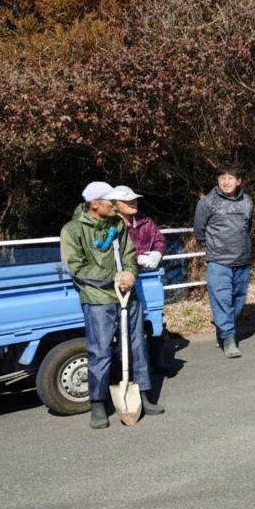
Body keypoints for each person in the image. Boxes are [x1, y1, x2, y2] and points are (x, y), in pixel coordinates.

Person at [60, 181, 164, 429]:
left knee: (138, 345)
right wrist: (113, 278)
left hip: (127, 293)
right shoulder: (73, 229)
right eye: (111, 202)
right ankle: (98, 404)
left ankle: (144, 395)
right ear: (95, 204)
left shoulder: (117, 224)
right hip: (98, 298)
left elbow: (129, 253)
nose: (116, 206)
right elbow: (75, 266)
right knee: (100, 351)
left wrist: (129, 274)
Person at [111, 186, 172, 375]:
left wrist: (157, 253)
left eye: (134, 199)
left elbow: (160, 240)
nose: (132, 203)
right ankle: (124, 366)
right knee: (123, 323)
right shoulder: (109, 224)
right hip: (121, 279)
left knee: (154, 317)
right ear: (115, 204)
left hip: (146, 277)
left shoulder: (145, 221)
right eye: (126, 201)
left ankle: (157, 360)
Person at [194, 163, 254, 358]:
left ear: (238, 181)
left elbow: (247, 226)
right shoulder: (207, 203)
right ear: (217, 180)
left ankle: (223, 328)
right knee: (221, 300)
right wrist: (214, 248)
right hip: (218, 262)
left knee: (238, 299)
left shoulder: (247, 201)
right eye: (222, 178)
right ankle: (228, 338)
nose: (226, 182)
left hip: (242, 260)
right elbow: (199, 231)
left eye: (230, 178)